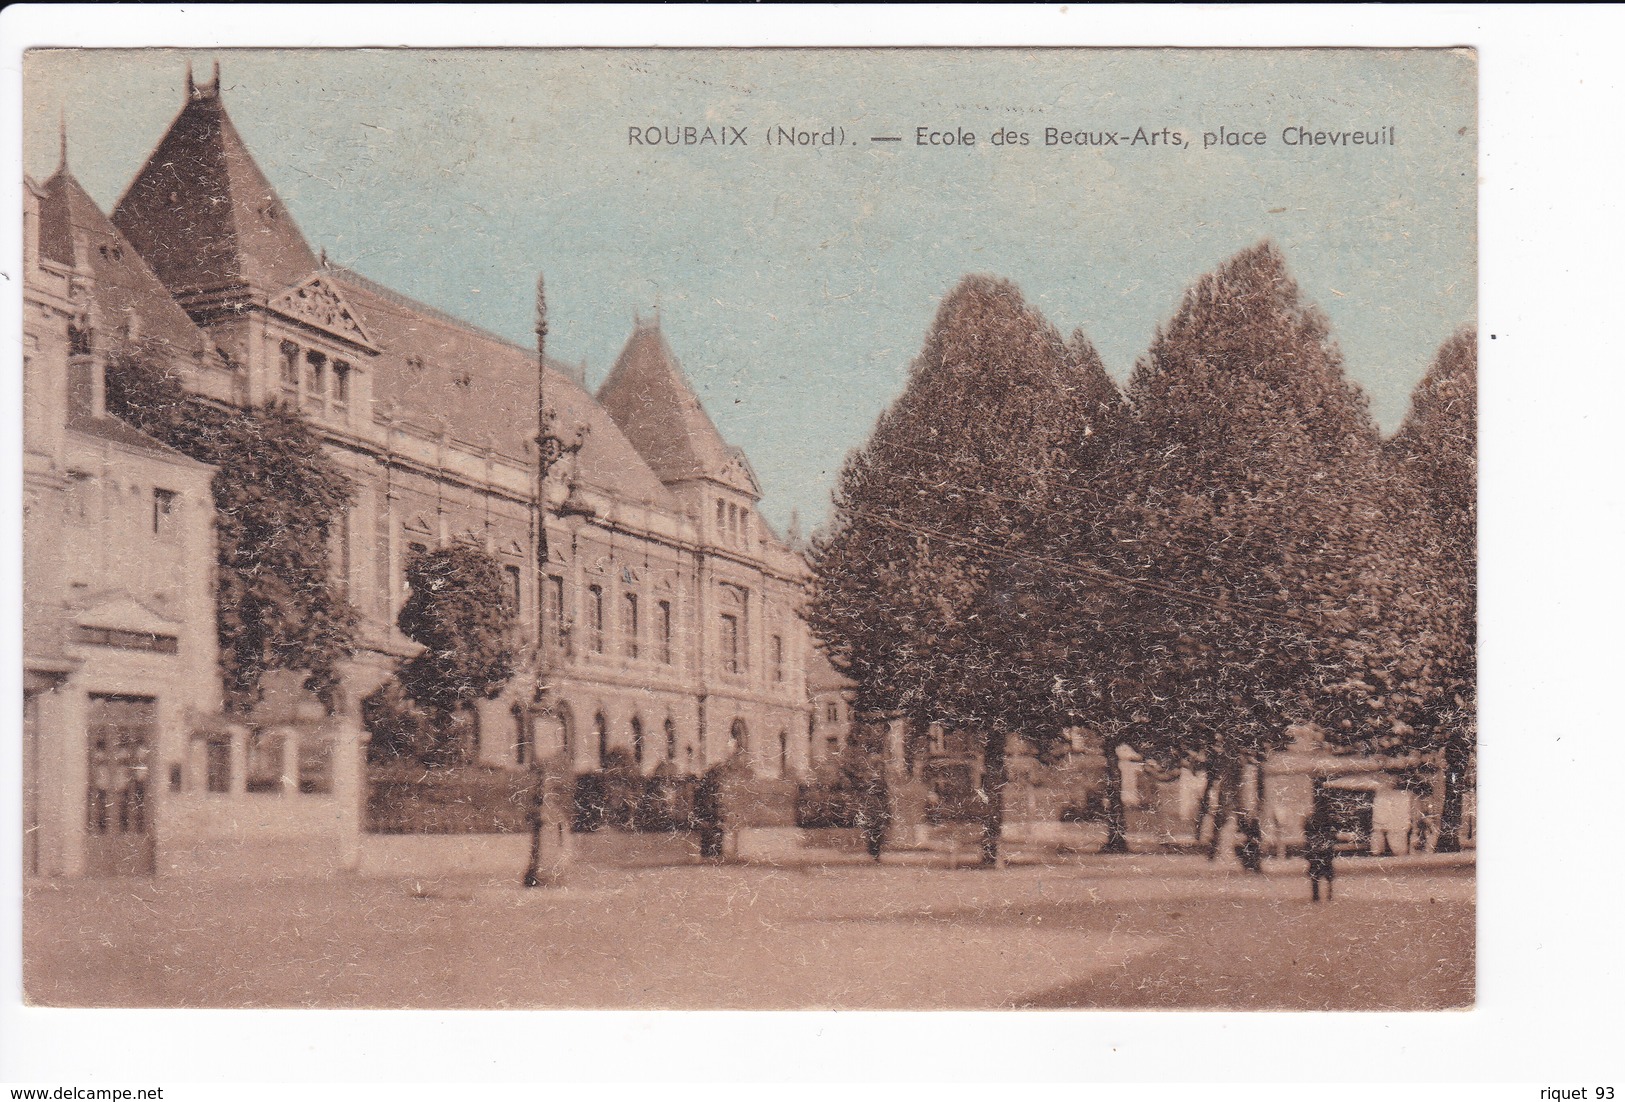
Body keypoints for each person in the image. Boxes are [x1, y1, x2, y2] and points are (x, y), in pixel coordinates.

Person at [1305, 809, 1336, 902]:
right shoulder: (1329, 820)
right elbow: (1333, 835)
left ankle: (1316, 896)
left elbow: (1307, 835)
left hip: (1315, 851)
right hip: (1326, 851)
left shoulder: (1310, 819)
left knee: (1315, 875)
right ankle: (1329, 895)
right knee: (1328, 875)